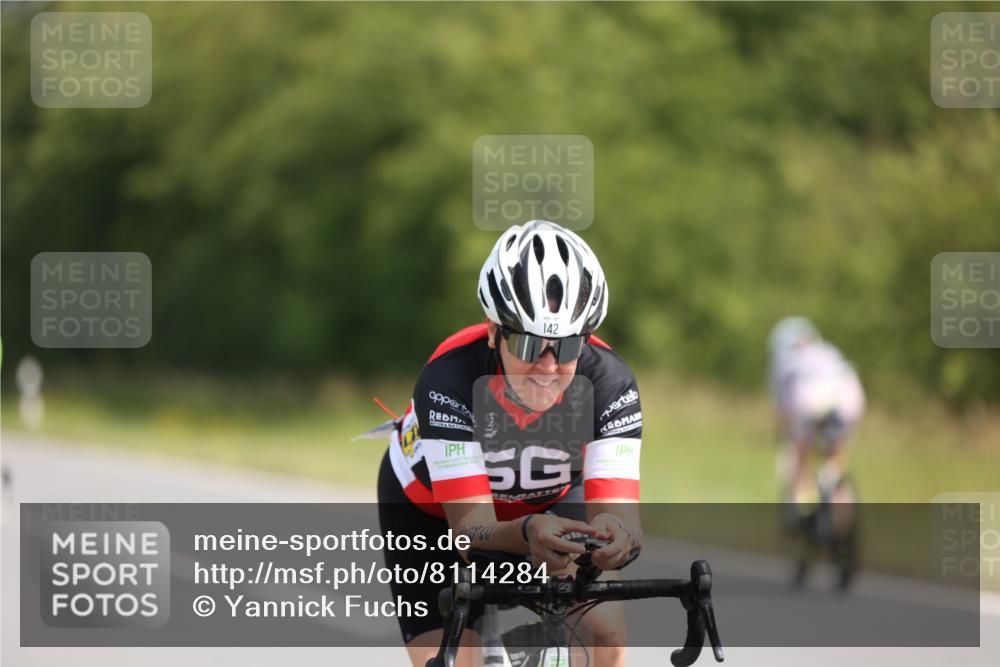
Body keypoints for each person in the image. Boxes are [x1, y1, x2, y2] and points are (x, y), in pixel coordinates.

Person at [377, 220, 643, 667]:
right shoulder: (449, 379)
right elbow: (470, 533)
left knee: (606, 630)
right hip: (431, 514)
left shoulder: (610, 383)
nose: (548, 364)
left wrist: (618, 537)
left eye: (567, 344)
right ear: (493, 331)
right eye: (529, 343)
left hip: (551, 503)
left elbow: (620, 518)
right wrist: (525, 532)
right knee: (453, 658)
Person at [768, 316, 865, 516]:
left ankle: (803, 501)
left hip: (809, 401)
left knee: (800, 448)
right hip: (849, 397)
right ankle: (838, 493)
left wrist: (782, 432)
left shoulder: (785, 361)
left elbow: (781, 409)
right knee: (835, 449)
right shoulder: (827, 351)